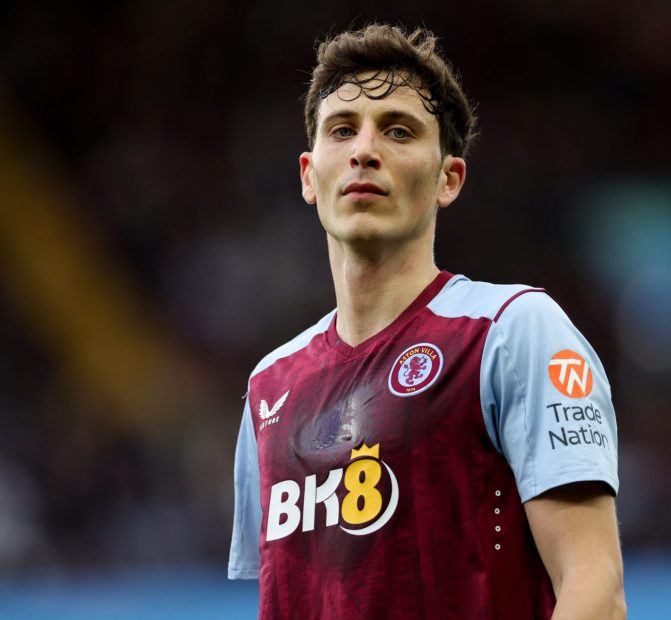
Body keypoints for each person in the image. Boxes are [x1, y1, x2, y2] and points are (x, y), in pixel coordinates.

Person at [229, 23, 626, 619]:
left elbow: (595, 587)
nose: (365, 150)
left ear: (448, 179)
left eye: (398, 130)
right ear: (309, 175)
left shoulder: (511, 332)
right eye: (343, 129)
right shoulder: (269, 388)